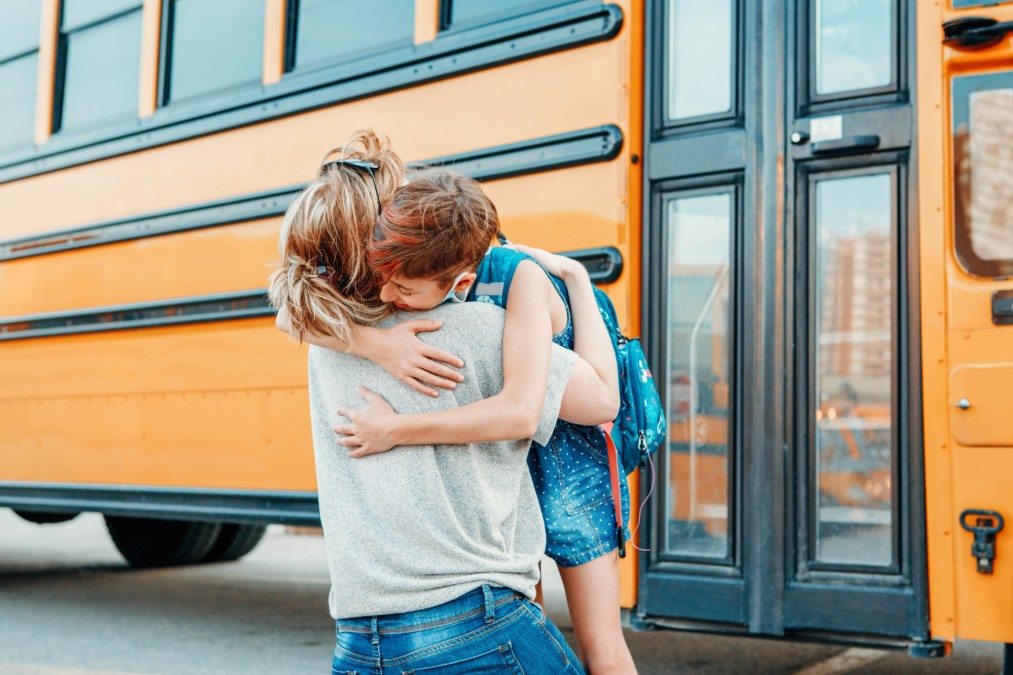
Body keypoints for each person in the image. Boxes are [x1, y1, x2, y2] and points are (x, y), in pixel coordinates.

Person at [268, 131, 617, 673]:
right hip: (475, 625)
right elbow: (600, 400)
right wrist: (578, 282)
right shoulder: (487, 332)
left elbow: (290, 307)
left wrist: (373, 342)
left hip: (360, 643)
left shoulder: (322, 339)